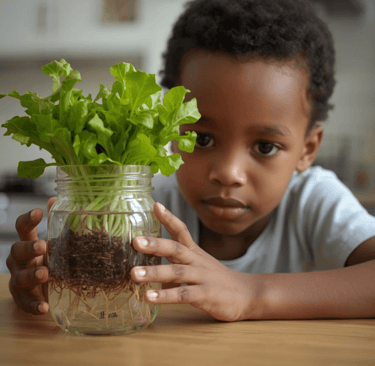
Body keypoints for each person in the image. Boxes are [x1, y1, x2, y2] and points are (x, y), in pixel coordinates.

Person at [7, 0, 375, 321]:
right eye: (201, 138)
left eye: (265, 147)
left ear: (307, 150)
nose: (227, 174)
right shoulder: (144, 209)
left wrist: (251, 294)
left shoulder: (315, 201)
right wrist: (46, 283)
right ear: (168, 128)